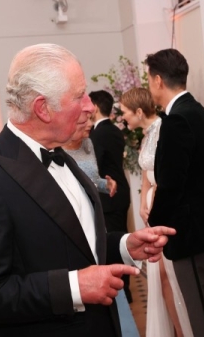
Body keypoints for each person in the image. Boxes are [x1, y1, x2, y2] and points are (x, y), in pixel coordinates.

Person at [0, 43, 176, 337]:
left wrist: (123, 245)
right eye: (79, 96)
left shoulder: (63, 156)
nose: (90, 106)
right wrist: (74, 288)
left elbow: (71, 244)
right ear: (42, 108)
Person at [145, 49, 204, 337]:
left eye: (148, 80)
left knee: (201, 317)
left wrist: (153, 226)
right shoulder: (196, 111)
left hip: (191, 233)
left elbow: (171, 185)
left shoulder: (177, 120)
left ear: (158, 80)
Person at [120, 87, 193, 337]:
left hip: (163, 207)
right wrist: (143, 202)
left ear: (139, 111)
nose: (123, 118)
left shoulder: (165, 129)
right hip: (150, 208)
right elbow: (145, 176)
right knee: (160, 280)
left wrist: (155, 203)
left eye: (125, 113)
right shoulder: (145, 136)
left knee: (169, 277)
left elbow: (170, 175)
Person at [62, 114, 139, 337]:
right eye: (83, 120)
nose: (89, 125)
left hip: (95, 218)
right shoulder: (57, 151)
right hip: (73, 223)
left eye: (90, 119)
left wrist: (106, 185)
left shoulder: (88, 143)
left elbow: (91, 179)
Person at [88, 90, 132, 301]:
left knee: (114, 243)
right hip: (121, 191)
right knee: (121, 238)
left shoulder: (98, 134)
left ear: (95, 107)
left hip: (109, 194)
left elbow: (93, 165)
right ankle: (126, 287)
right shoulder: (114, 129)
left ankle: (121, 289)